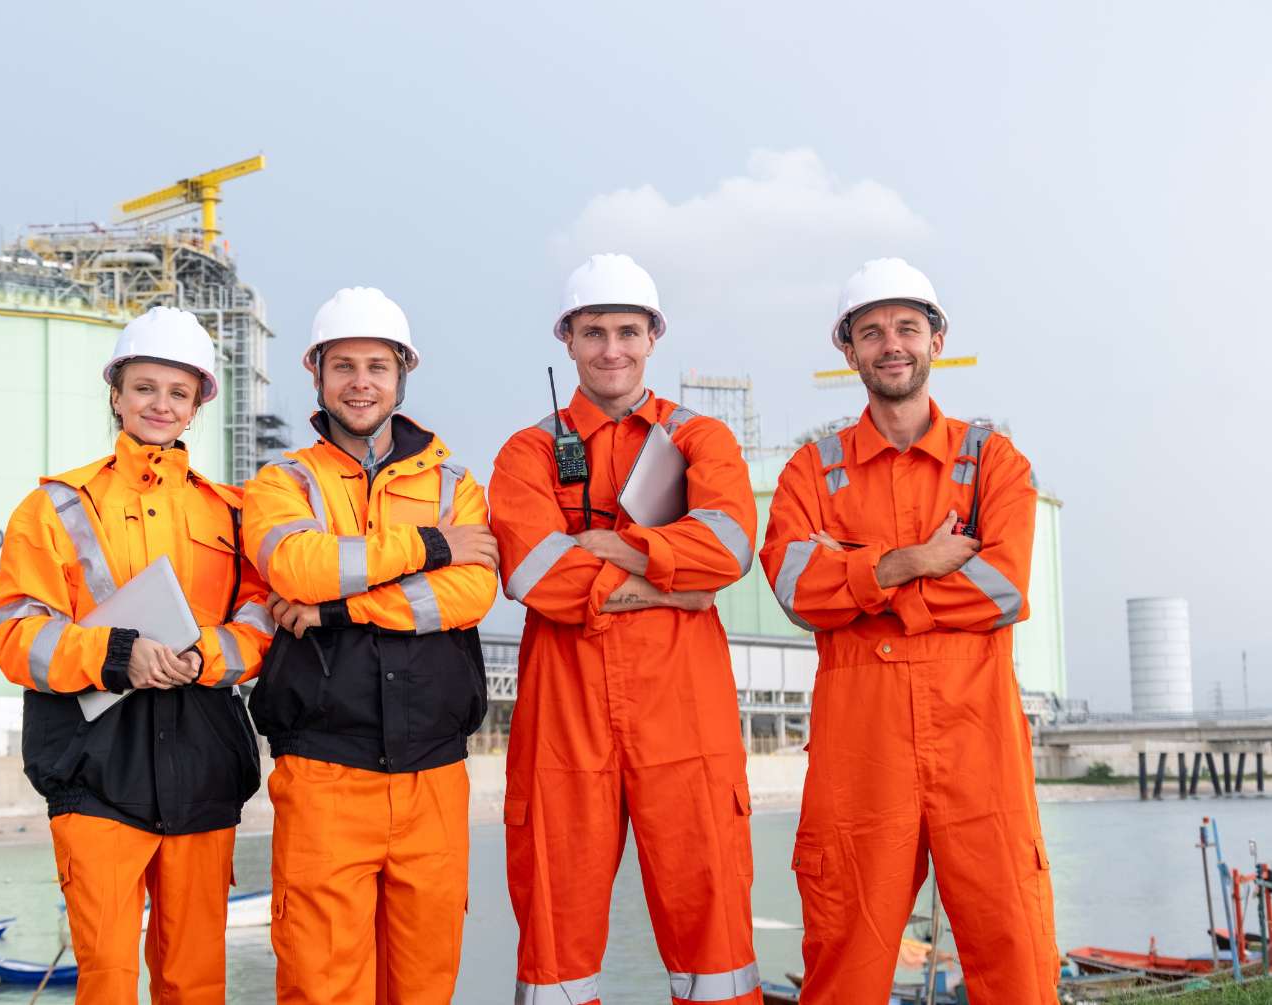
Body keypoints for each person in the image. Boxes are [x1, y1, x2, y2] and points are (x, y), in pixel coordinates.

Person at [760, 258, 1057, 1003]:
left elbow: (1001, 589)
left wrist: (859, 579)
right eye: (871, 332)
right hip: (860, 747)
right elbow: (795, 587)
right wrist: (910, 563)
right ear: (848, 350)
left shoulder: (993, 460)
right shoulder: (809, 468)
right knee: (845, 954)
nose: (890, 344)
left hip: (975, 737)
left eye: (905, 328)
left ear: (935, 338)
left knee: (1013, 945)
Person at [490, 254, 761, 1004]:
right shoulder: (526, 452)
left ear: (653, 338)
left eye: (627, 331)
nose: (612, 348)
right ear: (567, 342)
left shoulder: (702, 440)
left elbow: (729, 547)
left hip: (685, 712)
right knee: (555, 939)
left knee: (712, 932)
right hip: (564, 715)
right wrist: (675, 591)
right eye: (593, 332)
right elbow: (534, 575)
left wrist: (612, 546)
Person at [0, 306, 273, 1004]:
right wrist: (117, 655)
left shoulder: (232, 512)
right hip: (94, 766)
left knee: (195, 981)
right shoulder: (55, 506)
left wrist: (206, 653)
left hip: (201, 764)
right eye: (145, 387)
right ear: (115, 393)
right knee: (109, 979)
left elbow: (262, 624)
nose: (160, 404)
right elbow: (17, 636)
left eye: (178, 393)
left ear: (198, 405)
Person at [242, 286, 499, 1005]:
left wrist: (335, 609)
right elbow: (295, 567)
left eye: (377, 367)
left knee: (424, 982)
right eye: (344, 365)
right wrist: (427, 546)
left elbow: (471, 595)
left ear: (401, 375)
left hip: (433, 776)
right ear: (317, 375)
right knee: (322, 983)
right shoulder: (282, 481)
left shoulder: (454, 482)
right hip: (325, 771)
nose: (361, 382)